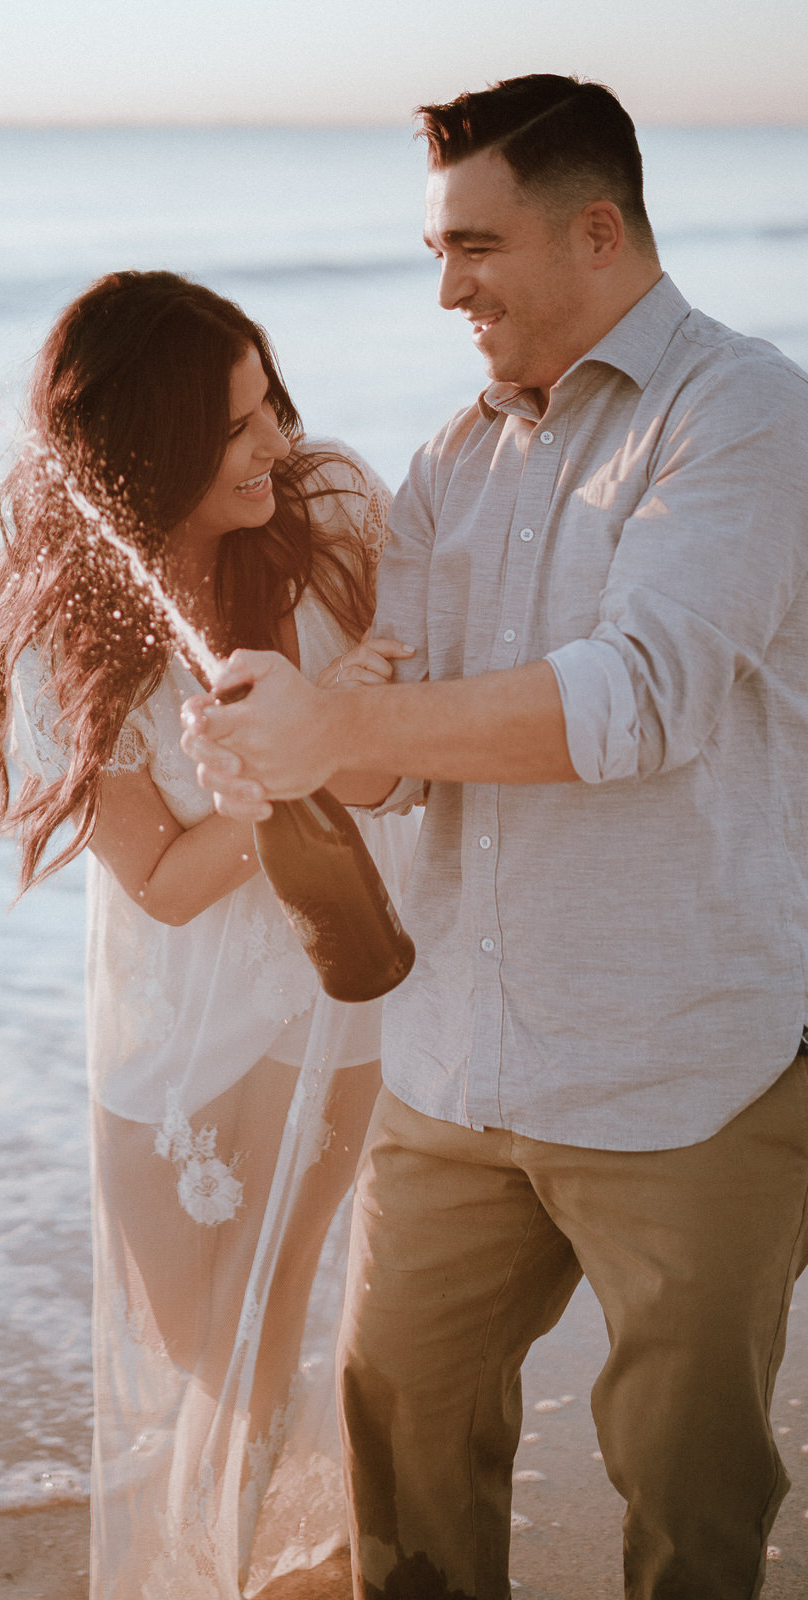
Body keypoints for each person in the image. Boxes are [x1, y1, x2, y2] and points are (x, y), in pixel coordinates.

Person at [180, 75, 808, 1600]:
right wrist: (297, 742)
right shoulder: (454, 458)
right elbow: (406, 752)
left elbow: (637, 700)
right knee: (396, 1457)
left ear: (597, 232)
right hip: (457, 1064)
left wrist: (356, 732)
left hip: (684, 1072)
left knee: (689, 1505)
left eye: (476, 245)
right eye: (435, 249)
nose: (445, 286)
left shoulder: (744, 412)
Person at [0, 270, 418, 1599]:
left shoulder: (328, 513)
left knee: (263, 1326)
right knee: (184, 1335)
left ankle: (245, 1574)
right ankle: (281, 1558)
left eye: (269, 400)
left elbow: (413, 717)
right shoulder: (77, 619)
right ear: (150, 446)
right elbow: (161, 879)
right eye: (236, 426)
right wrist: (286, 762)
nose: (276, 440)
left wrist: (334, 726)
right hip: (168, 1011)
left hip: (319, 989)